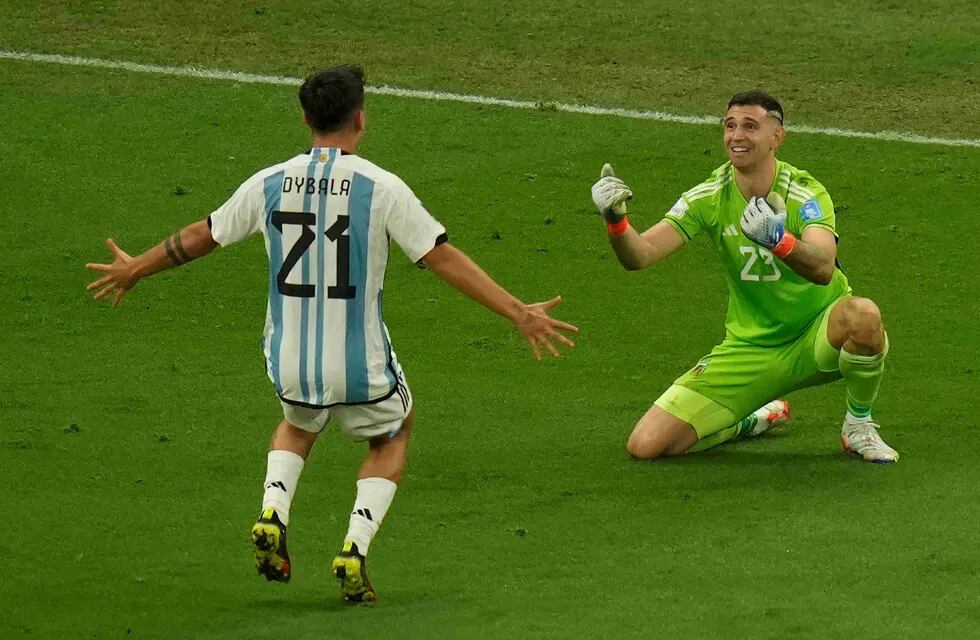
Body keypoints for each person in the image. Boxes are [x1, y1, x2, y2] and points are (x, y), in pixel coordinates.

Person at [86, 64, 578, 603]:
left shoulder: (269, 182)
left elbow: (203, 235)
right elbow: (440, 258)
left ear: (305, 118)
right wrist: (517, 312)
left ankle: (274, 510)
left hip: (289, 361)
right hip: (360, 364)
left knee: (298, 423)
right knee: (393, 431)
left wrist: (136, 269)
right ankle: (355, 548)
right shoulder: (381, 187)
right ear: (360, 119)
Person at [590, 90, 897, 463]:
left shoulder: (804, 191)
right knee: (646, 445)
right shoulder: (707, 197)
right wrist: (616, 221)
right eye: (730, 126)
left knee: (863, 316)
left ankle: (858, 426)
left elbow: (822, 267)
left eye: (750, 126)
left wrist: (778, 241)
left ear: (776, 137)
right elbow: (640, 256)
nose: (737, 136)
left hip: (818, 336)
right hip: (750, 350)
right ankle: (750, 420)